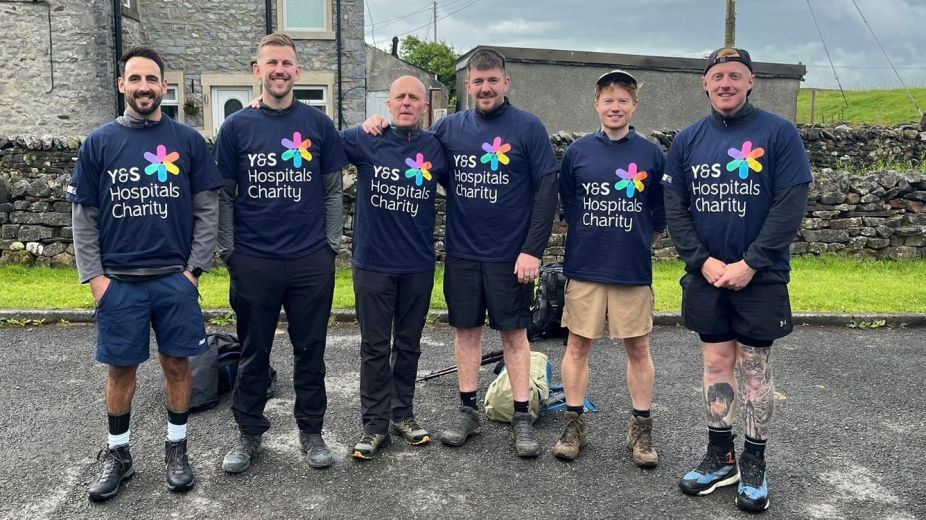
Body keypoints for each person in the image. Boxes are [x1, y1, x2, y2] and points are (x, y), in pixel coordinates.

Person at [364, 48, 558, 458]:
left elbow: (546, 191)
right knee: (466, 331)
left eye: (492, 80)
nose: (485, 88)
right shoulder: (449, 129)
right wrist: (376, 124)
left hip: (512, 257)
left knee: (514, 334)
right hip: (463, 254)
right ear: (466, 86)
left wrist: (532, 250)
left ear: (506, 83)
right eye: (477, 81)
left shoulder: (528, 127)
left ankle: (522, 416)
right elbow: (406, 145)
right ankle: (467, 411)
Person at [68, 46, 223, 501]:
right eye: (134, 79)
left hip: (174, 281)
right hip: (119, 282)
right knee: (121, 370)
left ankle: (177, 449)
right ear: (122, 85)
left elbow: (207, 211)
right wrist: (96, 279)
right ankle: (119, 455)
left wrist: (193, 271)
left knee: (177, 364)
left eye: (151, 79)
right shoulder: (99, 143)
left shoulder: (189, 141)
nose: (143, 87)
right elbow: (85, 217)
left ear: (164, 86)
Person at [663, 48, 811, 513]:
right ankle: (718, 456)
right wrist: (701, 260)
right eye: (717, 76)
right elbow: (676, 208)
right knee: (715, 366)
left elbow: (790, 203)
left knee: (754, 370)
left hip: (761, 278)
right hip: (705, 276)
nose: (725, 83)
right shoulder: (687, 141)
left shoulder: (779, 133)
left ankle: (755, 463)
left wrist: (751, 262)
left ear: (750, 83)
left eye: (735, 76)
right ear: (704, 85)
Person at [214, 32, 347, 472]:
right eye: (271, 63)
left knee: (311, 351)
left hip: (311, 260)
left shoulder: (318, 125)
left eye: (287, 63)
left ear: (297, 71)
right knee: (254, 351)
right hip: (254, 260)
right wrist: (231, 251)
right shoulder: (236, 126)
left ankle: (312, 432)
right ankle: (249, 434)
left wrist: (330, 246)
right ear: (258, 70)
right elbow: (225, 197)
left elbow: (332, 193)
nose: (279, 70)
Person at [554, 70, 665, 466]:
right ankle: (574, 423)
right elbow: (568, 204)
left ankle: (641, 429)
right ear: (596, 104)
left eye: (623, 100)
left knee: (638, 348)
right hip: (585, 268)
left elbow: (660, 213)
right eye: (608, 99)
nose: (615, 107)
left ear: (634, 105)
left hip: (631, 270)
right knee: (577, 346)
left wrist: (633, 243)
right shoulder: (578, 152)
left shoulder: (651, 154)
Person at [340, 76, 448, 459]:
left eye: (414, 97)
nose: (406, 102)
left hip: (417, 264)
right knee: (373, 346)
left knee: (408, 345)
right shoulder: (366, 138)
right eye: (399, 96)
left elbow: (466, 190)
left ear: (424, 106)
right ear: (388, 104)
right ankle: (374, 425)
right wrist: (259, 107)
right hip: (372, 263)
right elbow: (317, 141)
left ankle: (403, 414)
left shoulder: (436, 147)